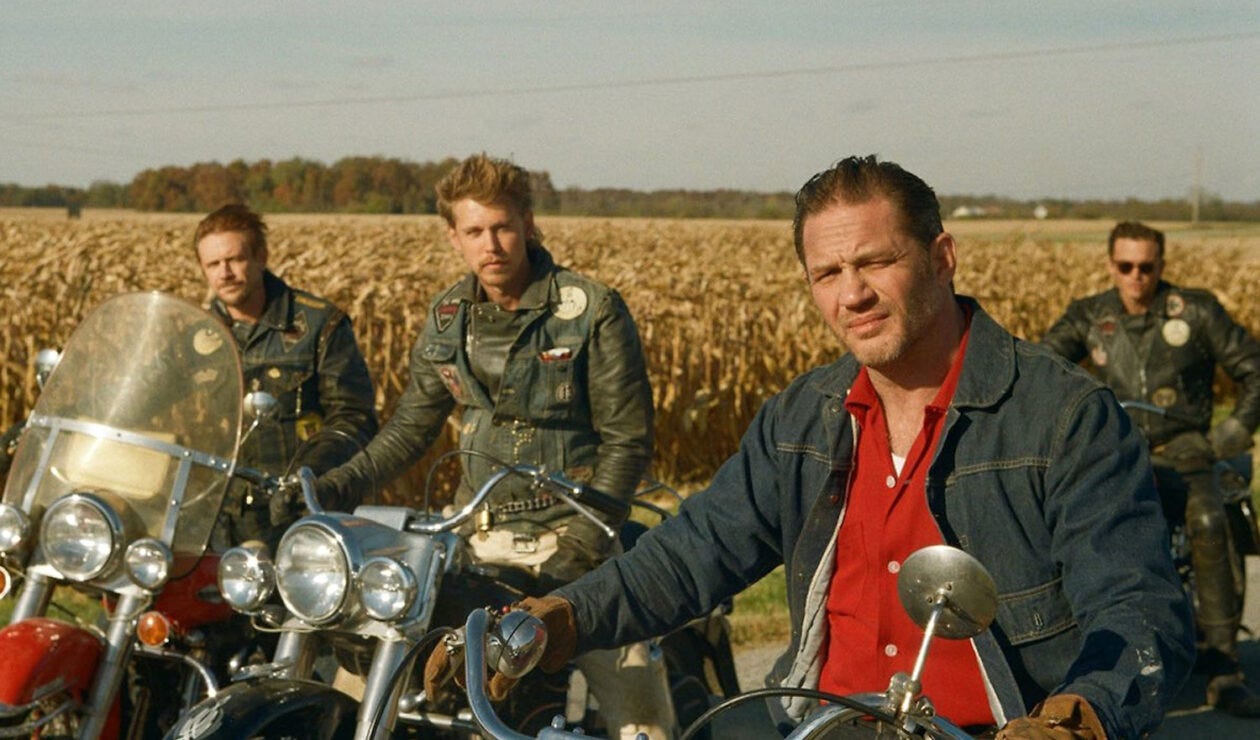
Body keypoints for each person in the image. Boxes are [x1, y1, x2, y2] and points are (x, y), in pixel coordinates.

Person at [458, 156, 1196, 739]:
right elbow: (689, 556)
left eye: (875, 262)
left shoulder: (1064, 418)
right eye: (828, 274)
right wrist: (557, 619)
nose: (853, 295)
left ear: (941, 257)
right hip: (822, 728)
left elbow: (1137, 610)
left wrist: (1076, 720)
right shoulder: (800, 420)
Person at [319, 153, 675, 739]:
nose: (492, 244)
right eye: (475, 231)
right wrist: (340, 483)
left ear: (529, 224)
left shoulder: (588, 311)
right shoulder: (447, 319)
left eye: (503, 226)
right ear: (453, 237)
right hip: (473, 540)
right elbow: (411, 427)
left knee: (638, 707)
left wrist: (578, 553)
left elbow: (627, 443)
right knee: (364, 676)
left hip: (574, 538)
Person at [1042, 220, 1260, 716]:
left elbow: (1254, 369)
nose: (1136, 276)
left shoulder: (1197, 310)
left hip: (1183, 447)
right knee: (1060, 522)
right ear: (1111, 266)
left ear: (1162, 265)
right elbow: (1043, 370)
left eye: (1146, 266)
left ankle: (1225, 668)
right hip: (1112, 447)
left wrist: (1227, 435)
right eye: (1126, 266)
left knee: (1207, 521)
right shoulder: (1090, 315)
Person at [194, 203, 378, 548]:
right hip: (215, 517)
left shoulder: (319, 325)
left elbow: (355, 418)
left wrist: (308, 477)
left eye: (235, 259)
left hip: (298, 515)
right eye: (213, 265)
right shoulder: (193, 335)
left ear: (261, 256)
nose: (225, 273)